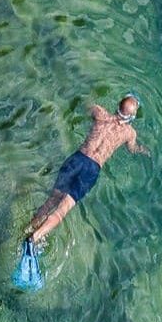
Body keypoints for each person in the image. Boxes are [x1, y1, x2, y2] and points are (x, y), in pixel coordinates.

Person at [25, 94, 149, 244]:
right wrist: (143, 150)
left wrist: (90, 98)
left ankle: (29, 228)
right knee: (62, 210)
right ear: (132, 117)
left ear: (118, 106)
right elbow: (132, 149)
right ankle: (35, 238)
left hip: (77, 159)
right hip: (92, 169)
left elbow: (85, 101)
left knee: (52, 200)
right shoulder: (130, 133)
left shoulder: (100, 113)